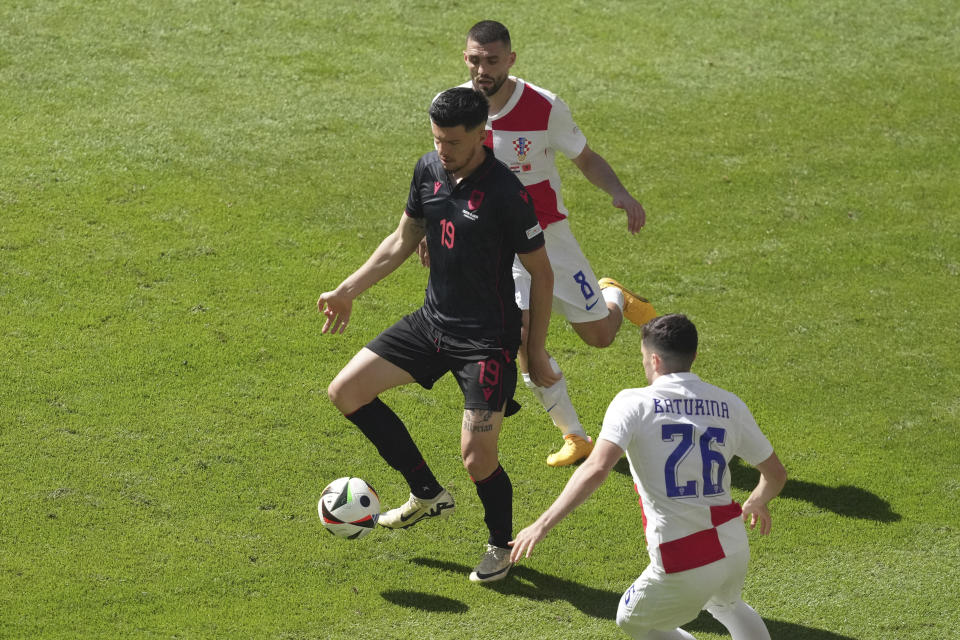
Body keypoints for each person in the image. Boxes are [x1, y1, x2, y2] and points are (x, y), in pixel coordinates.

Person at [319, 87, 560, 583]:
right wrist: (348, 290)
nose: (443, 151)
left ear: (480, 134)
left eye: (453, 142)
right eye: (436, 139)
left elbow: (542, 272)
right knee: (345, 391)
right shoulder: (428, 169)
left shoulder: (506, 194)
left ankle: (500, 547)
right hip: (432, 324)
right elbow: (402, 240)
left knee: (477, 457)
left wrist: (533, 350)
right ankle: (426, 493)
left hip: (486, 343)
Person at [428, 20, 658, 467]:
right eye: (475, 59)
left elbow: (586, 158)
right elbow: (447, 167)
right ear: (465, 57)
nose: (482, 69)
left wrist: (620, 193)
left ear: (510, 60)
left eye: (492, 61)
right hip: (494, 243)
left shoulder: (543, 107)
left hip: (547, 238)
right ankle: (576, 436)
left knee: (599, 336)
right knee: (521, 339)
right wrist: (433, 229)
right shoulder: (453, 106)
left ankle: (613, 296)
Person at [510, 314, 787, 639]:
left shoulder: (633, 403)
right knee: (727, 604)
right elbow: (776, 475)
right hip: (732, 541)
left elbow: (597, 468)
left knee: (632, 619)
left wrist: (541, 524)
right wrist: (756, 501)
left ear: (654, 359)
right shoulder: (730, 404)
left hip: (682, 552)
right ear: (693, 356)